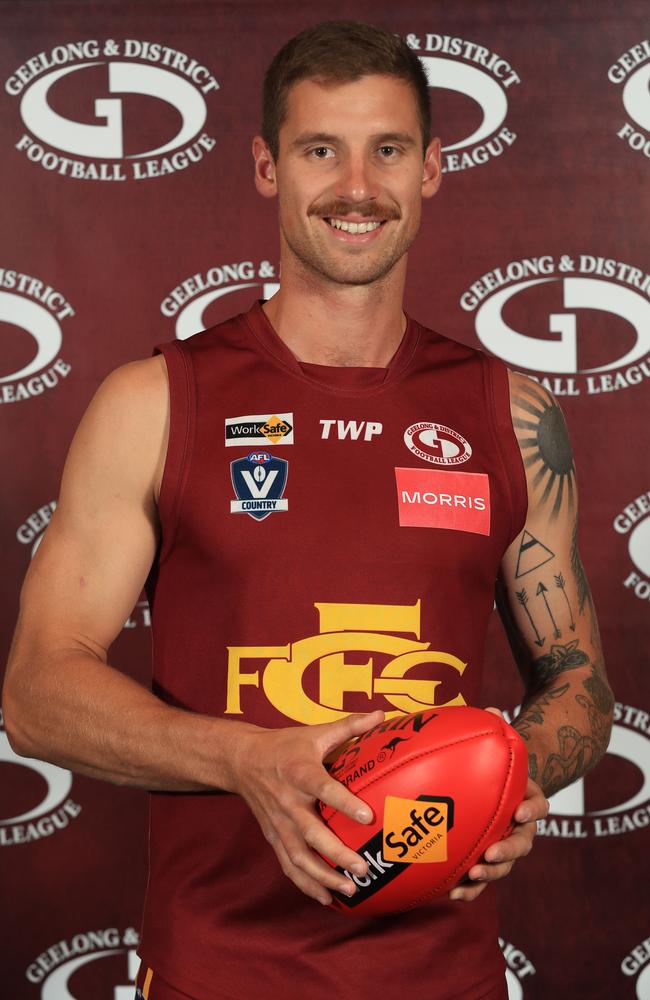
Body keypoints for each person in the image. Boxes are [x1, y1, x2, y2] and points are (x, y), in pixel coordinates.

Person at [2, 20, 613, 1000]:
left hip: (440, 976)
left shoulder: (508, 412)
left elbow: (577, 685)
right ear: (264, 167)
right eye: (319, 149)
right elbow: (36, 694)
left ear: (431, 170)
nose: (356, 186)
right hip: (216, 971)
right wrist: (247, 759)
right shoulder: (156, 402)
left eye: (388, 149)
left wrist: (504, 780)